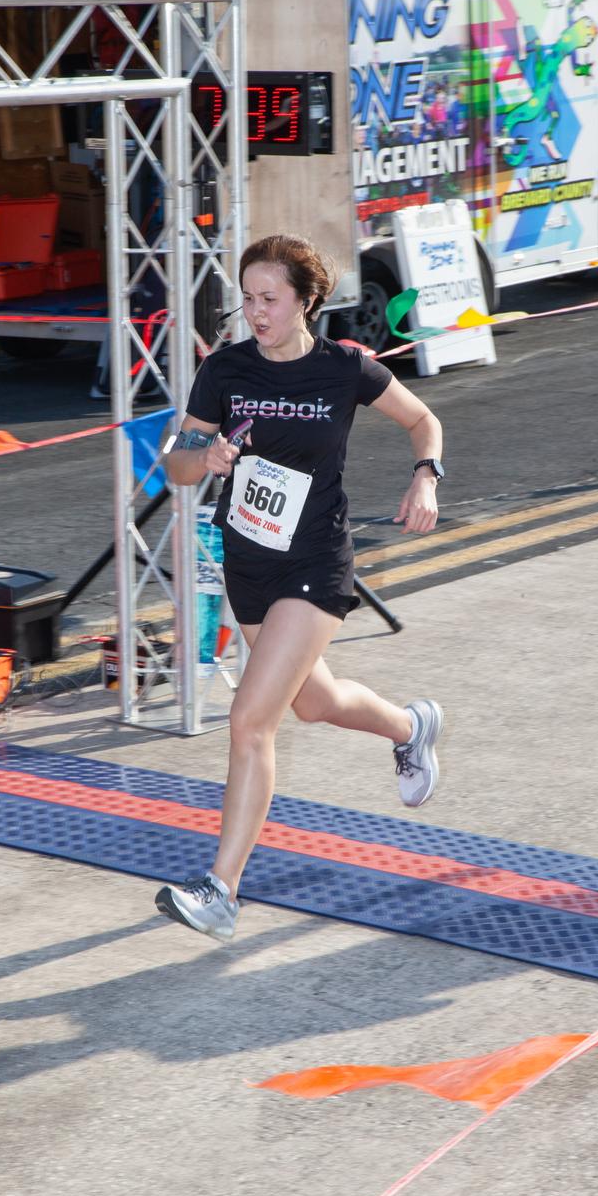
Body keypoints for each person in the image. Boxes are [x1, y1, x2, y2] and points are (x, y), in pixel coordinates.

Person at [155, 234, 445, 940]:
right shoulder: (224, 370)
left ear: (307, 300)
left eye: (270, 300)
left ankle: (221, 889)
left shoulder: (344, 368)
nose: (256, 313)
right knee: (315, 703)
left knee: (250, 720)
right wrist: (205, 455)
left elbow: (421, 419)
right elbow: (175, 468)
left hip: (315, 561)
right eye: (247, 299)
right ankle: (412, 727)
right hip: (248, 560)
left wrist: (426, 475)